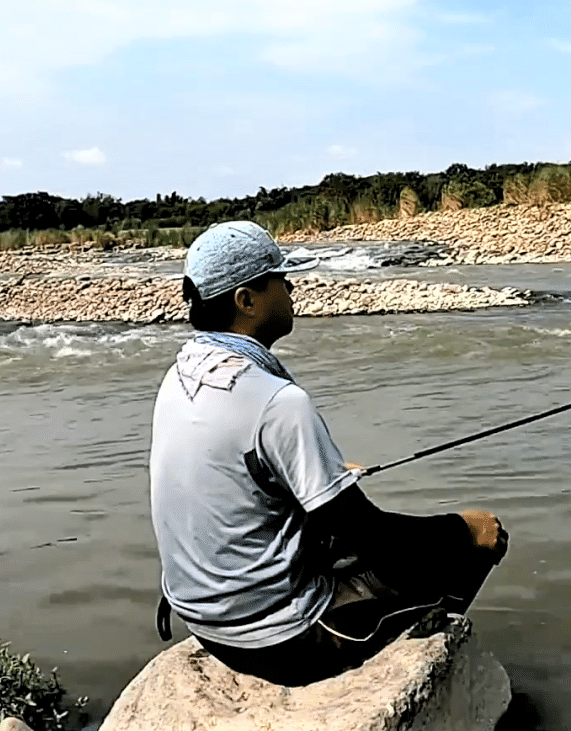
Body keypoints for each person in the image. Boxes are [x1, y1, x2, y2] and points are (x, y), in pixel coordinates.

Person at [148, 220, 510, 687]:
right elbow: (371, 535)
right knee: (479, 535)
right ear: (246, 300)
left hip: (203, 620)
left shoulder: (181, 374)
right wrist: (462, 527)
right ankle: (428, 659)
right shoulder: (277, 402)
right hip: (280, 641)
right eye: (280, 279)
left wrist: (321, 479)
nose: (291, 289)